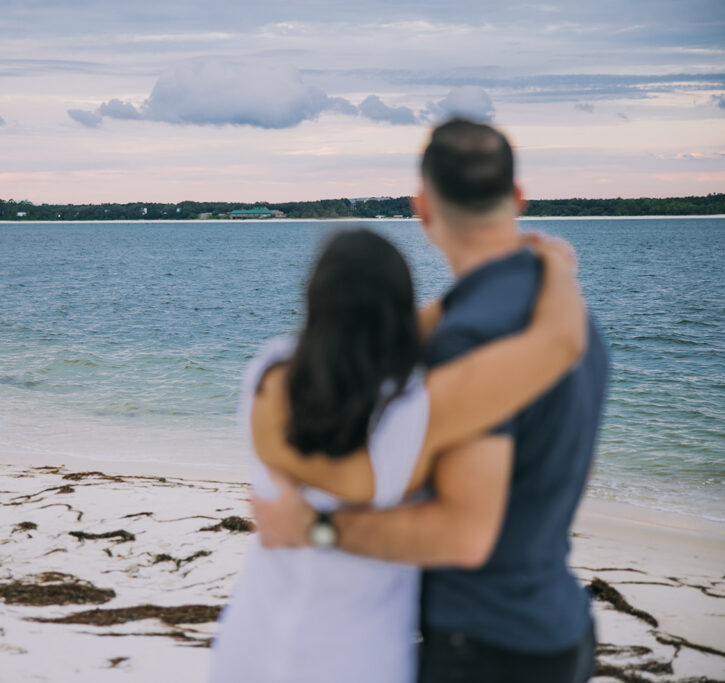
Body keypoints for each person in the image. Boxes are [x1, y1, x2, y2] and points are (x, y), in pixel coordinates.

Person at [252, 119, 609, 683]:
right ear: (517, 198)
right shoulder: (566, 315)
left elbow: (464, 536)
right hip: (561, 623)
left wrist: (320, 529)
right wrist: (552, 267)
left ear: (422, 208)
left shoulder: (467, 342)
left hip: (489, 642)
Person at [208, 225, 587, 683]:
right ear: (400, 310)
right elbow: (562, 343)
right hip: (358, 664)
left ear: (313, 299)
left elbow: (367, 334)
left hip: (251, 649)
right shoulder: (416, 418)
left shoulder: (267, 375)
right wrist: (554, 267)